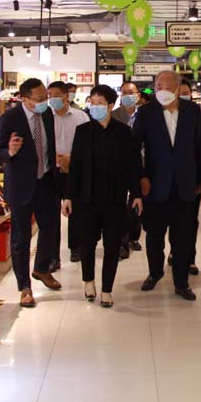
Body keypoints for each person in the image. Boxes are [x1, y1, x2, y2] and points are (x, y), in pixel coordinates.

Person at [63, 85, 143, 308]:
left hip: (114, 199)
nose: (94, 106)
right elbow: (75, 167)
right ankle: (88, 281)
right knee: (87, 243)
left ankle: (107, 288)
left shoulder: (124, 132)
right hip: (86, 199)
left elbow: (132, 166)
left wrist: (136, 194)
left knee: (112, 245)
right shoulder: (83, 131)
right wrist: (68, 196)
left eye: (100, 103)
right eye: (92, 102)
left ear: (110, 106)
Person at [133, 70, 201, 300]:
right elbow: (134, 148)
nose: (162, 90)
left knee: (183, 237)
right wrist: (141, 177)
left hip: (186, 186)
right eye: (158, 86)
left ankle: (181, 282)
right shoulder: (146, 113)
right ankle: (155, 273)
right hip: (155, 185)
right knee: (154, 236)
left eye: (167, 87)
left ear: (177, 88)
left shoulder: (193, 112)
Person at [0, 78, 61, 308]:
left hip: (46, 181)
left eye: (46, 97)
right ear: (24, 99)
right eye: (39, 99)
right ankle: (24, 287)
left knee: (50, 228)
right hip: (21, 185)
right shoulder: (9, 118)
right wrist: (10, 151)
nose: (44, 102)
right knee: (21, 238)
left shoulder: (47, 114)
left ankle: (41, 269)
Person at [48, 81, 89, 267]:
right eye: (50, 96)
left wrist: (71, 158)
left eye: (56, 95)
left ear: (66, 96)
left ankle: (76, 247)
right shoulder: (45, 117)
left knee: (76, 210)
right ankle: (53, 255)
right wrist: (57, 159)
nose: (52, 99)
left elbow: (89, 143)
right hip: (52, 170)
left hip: (75, 168)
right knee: (51, 213)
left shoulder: (81, 117)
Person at [168, 77, 201, 275]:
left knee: (190, 223)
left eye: (186, 93)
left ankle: (190, 259)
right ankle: (175, 252)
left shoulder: (194, 113)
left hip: (190, 179)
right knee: (173, 221)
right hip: (167, 181)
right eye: (179, 93)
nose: (182, 97)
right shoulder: (163, 113)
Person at [112, 81, 143, 257]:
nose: (127, 96)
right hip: (119, 166)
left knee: (137, 201)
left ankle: (134, 237)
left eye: (131, 93)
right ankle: (122, 241)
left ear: (137, 95)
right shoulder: (114, 115)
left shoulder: (144, 115)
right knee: (121, 205)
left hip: (142, 164)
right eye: (124, 93)